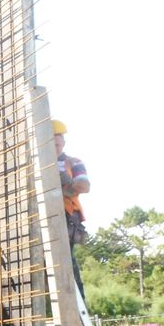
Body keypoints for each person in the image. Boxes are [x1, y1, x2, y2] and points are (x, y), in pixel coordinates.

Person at [53, 119, 90, 299]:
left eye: (58, 143)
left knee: (68, 265)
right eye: (51, 143)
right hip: (42, 217)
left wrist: (60, 182)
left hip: (67, 218)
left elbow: (83, 186)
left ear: (63, 143)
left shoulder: (73, 162)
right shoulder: (33, 163)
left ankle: (77, 301)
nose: (55, 147)